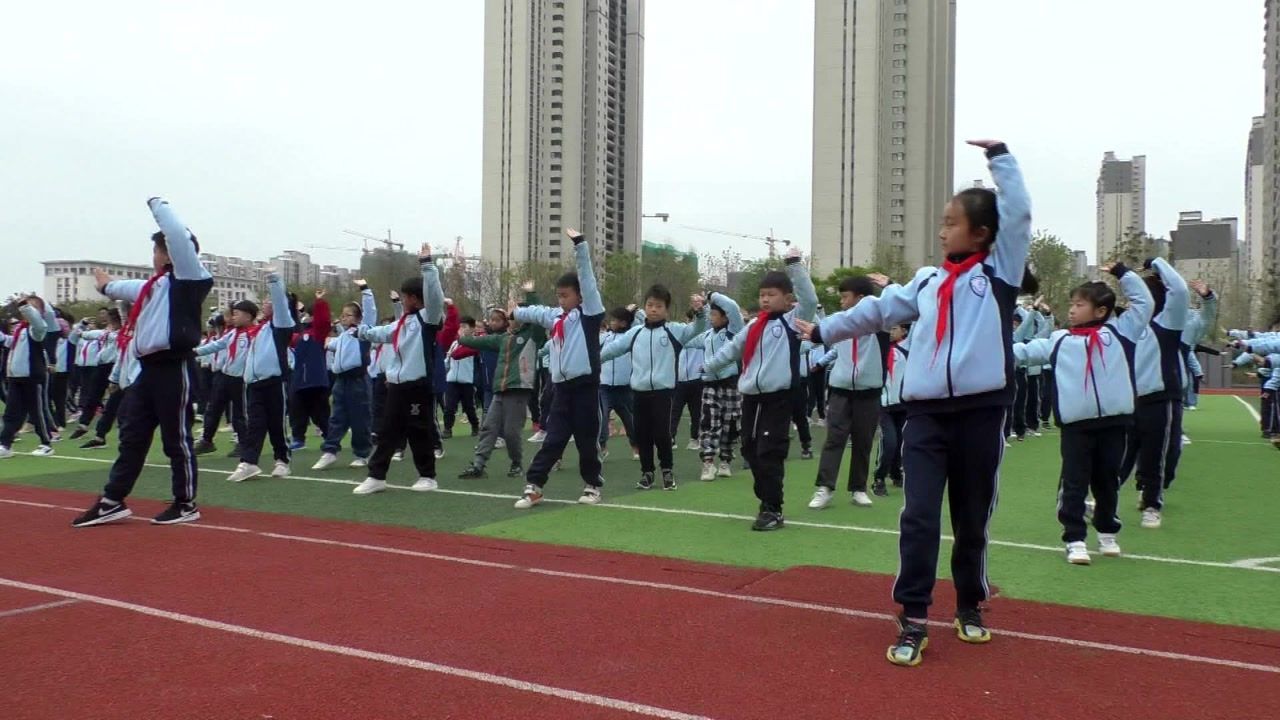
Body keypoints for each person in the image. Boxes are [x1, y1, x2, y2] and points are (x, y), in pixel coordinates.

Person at [798, 140, 1030, 666]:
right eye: (944, 221)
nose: (943, 229)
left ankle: (970, 602)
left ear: (982, 234)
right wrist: (824, 332)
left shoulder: (998, 276)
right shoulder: (927, 281)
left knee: (972, 517)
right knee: (919, 516)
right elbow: (876, 312)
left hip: (981, 412)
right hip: (924, 414)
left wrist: (1000, 157)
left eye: (952, 221)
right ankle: (914, 616)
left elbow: (1020, 214)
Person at [72, 197, 214, 527]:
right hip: (147, 371)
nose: (154, 255)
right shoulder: (151, 287)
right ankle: (112, 500)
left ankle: (185, 502)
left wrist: (157, 204)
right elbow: (116, 289)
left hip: (174, 366)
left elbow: (177, 235)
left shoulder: (190, 278)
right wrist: (105, 283)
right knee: (132, 435)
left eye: (158, 249)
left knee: (176, 439)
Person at [1013, 264, 1153, 565]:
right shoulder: (1060, 339)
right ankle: (1075, 538)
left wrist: (1122, 272)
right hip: (1077, 427)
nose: (1072, 310)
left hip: (1115, 423)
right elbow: (1023, 352)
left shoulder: (1121, 332)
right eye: (1072, 304)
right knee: (1074, 482)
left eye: (1079, 305)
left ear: (1101, 311)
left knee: (1107, 481)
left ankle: (1106, 531)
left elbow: (1145, 303)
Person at [703, 247, 818, 530]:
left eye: (772, 295)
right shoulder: (754, 325)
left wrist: (794, 265)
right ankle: (765, 500)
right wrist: (709, 367)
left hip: (778, 398)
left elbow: (810, 298)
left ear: (787, 298)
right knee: (751, 451)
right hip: (751, 398)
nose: (765, 299)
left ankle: (773, 508)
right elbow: (732, 349)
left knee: (769, 452)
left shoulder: (793, 322)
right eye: (762, 295)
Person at [511, 228, 607, 508]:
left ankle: (592, 486)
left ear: (579, 296)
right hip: (562, 389)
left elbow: (587, 280)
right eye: (558, 296)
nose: (561, 300)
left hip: (586, 388)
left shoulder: (588, 315)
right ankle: (534, 486)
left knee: (587, 441)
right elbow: (537, 312)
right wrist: (515, 312)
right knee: (553, 439)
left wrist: (580, 246)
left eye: (565, 296)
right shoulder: (556, 317)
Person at [352, 243, 446, 495]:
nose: (402, 300)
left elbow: (434, 296)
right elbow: (381, 333)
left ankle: (427, 476)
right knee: (387, 430)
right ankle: (377, 476)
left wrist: (427, 265)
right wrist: (361, 332)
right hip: (396, 385)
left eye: (405, 297)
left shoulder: (428, 319)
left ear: (414, 299)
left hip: (418, 385)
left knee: (419, 430)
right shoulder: (402, 323)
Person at [599, 286, 708, 490]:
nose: (654, 310)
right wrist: (594, 360)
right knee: (642, 434)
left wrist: (701, 311)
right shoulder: (635, 332)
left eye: (659, 306)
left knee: (662, 433)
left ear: (666, 309)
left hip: (663, 392)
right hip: (639, 392)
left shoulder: (674, 330)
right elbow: (613, 349)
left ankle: (667, 471)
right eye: (650, 305)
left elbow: (698, 329)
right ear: (645, 307)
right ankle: (647, 473)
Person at [1118, 258, 1189, 529]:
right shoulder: (1129, 326)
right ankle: (1104, 499)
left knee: (1155, 454)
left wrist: (1155, 262)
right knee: (1121, 454)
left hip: (1159, 399)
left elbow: (1180, 291)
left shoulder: (1167, 323)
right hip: (1129, 401)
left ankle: (1151, 504)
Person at [808, 275, 888, 510]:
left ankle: (858, 488)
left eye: (845, 297)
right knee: (834, 439)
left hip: (869, 390)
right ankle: (825, 488)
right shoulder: (836, 321)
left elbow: (894, 309)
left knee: (863, 441)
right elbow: (826, 339)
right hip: (840, 389)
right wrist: (821, 361)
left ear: (861, 299)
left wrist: (889, 286)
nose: (841, 302)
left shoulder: (878, 323)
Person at [214, 271, 297, 482]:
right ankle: (249, 462)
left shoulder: (281, 326)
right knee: (255, 424)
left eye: (270, 300)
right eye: (266, 301)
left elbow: (280, 305)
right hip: (252, 383)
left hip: (273, 382)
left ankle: (282, 460)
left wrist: (274, 282)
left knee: (276, 424)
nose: (266, 303)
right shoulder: (259, 329)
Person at [458, 293, 545, 479]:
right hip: (500, 390)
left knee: (511, 432)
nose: (512, 320)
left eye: (515, 316)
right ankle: (479, 465)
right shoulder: (503, 338)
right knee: (489, 427)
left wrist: (531, 296)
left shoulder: (532, 335)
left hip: (518, 390)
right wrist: (462, 338)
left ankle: (516, 463)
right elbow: (479, 341)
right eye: (511, 317)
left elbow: (538, 317)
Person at [312, 279, 378, 470]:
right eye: (342, 315)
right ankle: (330, 451)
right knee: (337, 417)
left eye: (348, 315)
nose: (343, 318)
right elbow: (329, 343)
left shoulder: (363, 332)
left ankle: (362, 453)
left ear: (358, 319)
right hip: (341, 381)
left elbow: (370, 313)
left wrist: (365, 289)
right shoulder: (342, 336)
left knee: (360, 419)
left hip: (358, 380)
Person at [692, 291, 744, 481]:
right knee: (709, 422)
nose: (711, 319)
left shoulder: (734, 331)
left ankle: (725, 461)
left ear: (724, 317)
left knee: (730, 423)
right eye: (710, 315)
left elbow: (732, 308)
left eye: (714, 315)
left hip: (731, 384)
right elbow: (686, 339)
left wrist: (712, 295)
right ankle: (707, 463)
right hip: (710, 384)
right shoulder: (706, 336)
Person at [0, 295, 57, 458]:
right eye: (25, 308)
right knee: (11, 412)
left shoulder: (38, 329)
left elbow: (38, 322)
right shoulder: (21, 329)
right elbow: (8, 341)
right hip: (16, 378)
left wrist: (26, 306)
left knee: (37, 411)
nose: (26, 310)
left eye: (32, 307)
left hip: (33, 377)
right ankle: (5, 444)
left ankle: (46, 443)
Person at [194, 306, 252, 457]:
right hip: (225, 375)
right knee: (213, 408)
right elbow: (217, 345)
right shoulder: (232, 333)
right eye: (232, 315)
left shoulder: (253, 334)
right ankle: (207, 440)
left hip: (240, 378)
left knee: (239, 413)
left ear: (248, 317)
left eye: (236, 315)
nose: (233, 318)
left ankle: (243, 443)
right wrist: (194, 352)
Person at [288, 289, 332, 451]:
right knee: (297, 411)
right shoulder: (298, 337)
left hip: (316, 381)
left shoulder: (318, 334)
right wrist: (291, 305)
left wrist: (320, 302)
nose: (307, 318)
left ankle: (330, 438)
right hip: (299, 381)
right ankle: (298, 438)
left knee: (321, 413)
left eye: (311, 315)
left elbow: (324, 322)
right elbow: (289, 328)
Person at [68, 309, 121, 439]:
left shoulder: (123, 333)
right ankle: (83, 425)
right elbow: (76, 336)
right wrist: (81, 324)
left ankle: (102, 433)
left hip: (117, 366)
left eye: (111, 318)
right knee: (93, 396)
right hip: (102, 366)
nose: (108, 320)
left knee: (114, 400)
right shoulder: (103, 333)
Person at [872, 324, 911, 494]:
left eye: (895, 328)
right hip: (884, 404)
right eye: (890, 329)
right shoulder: (881, 348)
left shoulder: (908, 348)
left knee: (901, 442)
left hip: (902, 405)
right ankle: (879, 477)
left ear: (904, 331)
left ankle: (896, 473)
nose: (891, 332)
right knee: (889, 442)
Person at [598, 306, 639, 459]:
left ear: (623, 323)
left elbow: (640, 324)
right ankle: (602, 447)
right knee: (602, 419)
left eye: (615, 320)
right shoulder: (605, 337)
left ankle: (636, 447)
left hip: (624, 388)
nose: (611, 322)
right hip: (605, 387)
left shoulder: (631, 337)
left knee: (630, 421)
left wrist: (633, 313)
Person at [669, 307, 705, 451]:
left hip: (697, 378)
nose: (690, 322)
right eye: (690, 319)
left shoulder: (703, 334)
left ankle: (694, 438)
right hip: (681, 378)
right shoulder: (681, 333)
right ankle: (671, 437)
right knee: (675, 410)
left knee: (696, 411)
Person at [442, 316, 482, 438]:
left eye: (464, 327)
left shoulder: (475, 343)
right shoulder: (455, 343)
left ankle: (475, 426)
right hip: (451, 380)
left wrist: (475, 380)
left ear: (472, 328)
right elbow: (447, 360)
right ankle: (447, 429)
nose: (461, 329)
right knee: (449, 406)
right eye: (460, 327)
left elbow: (477, 363)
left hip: (467, 381)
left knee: (469, 407)